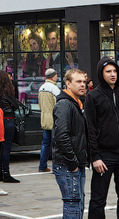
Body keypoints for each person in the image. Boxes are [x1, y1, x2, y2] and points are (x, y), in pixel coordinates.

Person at [85, 57, 119, 219]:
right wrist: (95, 156)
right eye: (108, 71)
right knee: (98, 199)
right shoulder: (93, 96)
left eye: (115, 71)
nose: (112, 74)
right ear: (101, 73)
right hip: (104, 155)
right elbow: (90, 128)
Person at [52, 69, 89, 219]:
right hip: (68, 164)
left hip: (76, 162)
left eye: (84, 82)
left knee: (78, 202)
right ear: (68, 84)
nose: (82, 85)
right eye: (78, 82)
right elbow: (61, 136)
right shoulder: (64, 104)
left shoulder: (77, 103)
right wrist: (72, 162)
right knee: (73, 203)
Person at [0, 70, 22, 183]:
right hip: (8, 119)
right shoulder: (8, 90)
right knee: (6, 148)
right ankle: (6, 172)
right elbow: (16, 105)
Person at [38, 69, 61, 172]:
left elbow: (40, 105)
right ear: (53, 77)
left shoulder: (41, 88)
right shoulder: (54, 89)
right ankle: (56, 167)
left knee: (45, 144)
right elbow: (59, 105)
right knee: (56, 145)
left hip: (44, 119)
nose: (57, 77)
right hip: (54, 120)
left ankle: (42, 166)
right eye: (56, 75)